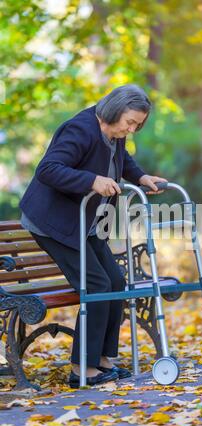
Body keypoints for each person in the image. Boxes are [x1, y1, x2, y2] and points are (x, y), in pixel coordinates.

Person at [19, 84, 167, 388]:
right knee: (96, 284)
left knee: (115, 281)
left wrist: (141, 177)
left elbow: (121, 161)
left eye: (138, 125)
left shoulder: (115, 134)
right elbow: (47, 169)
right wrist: (92, 180)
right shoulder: (80, 129)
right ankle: (81, 368)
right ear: (114, 110)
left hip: (86, 223)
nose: (132, 129)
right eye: (130, 122)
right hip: (54, 223)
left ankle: (102, 360)